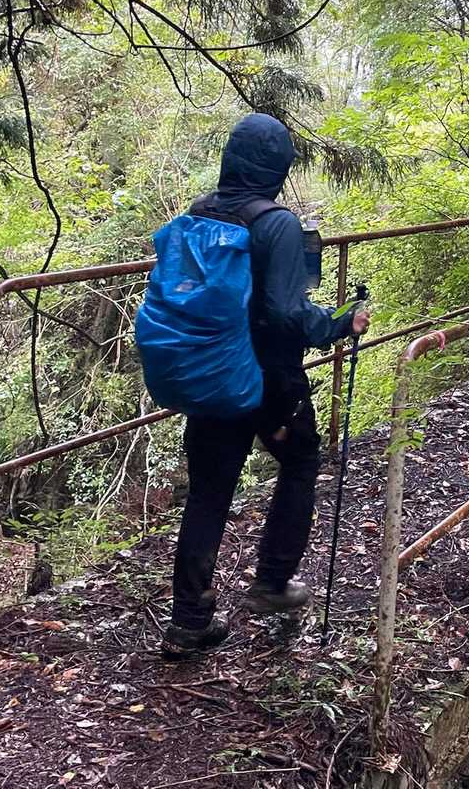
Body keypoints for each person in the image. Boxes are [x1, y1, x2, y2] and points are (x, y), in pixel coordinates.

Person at [162, 113, 370, 661]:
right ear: (278, 167)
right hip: (268, 378)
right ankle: (273, 583)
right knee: (301, 461)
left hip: (212, 371)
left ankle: (188, 620)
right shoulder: (277, 224)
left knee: (208, 492)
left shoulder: (201, 212)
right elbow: (284, 312)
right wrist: (339, 323)